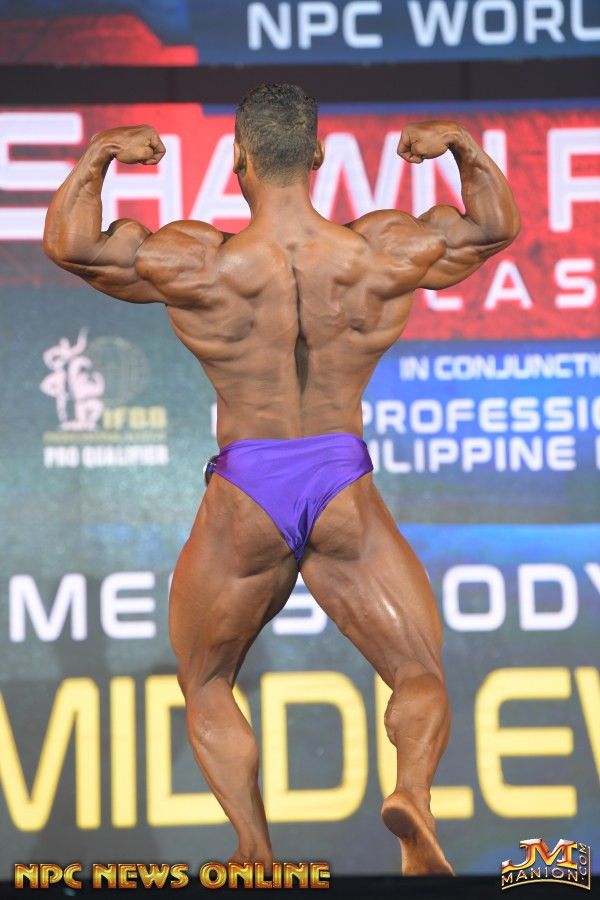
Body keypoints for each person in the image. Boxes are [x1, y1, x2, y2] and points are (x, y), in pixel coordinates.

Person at [43, 83, 520, 876]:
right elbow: (495, 226)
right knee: (417, 671)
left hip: (247, 488)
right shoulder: (381, 252)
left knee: (207, 679)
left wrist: (98, 157)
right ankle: (411, 794)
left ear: (239, 160)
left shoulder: (197, 261)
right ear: (319, 154)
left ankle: (255, 848)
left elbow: (73, 246)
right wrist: (463, 149)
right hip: (339, 478)